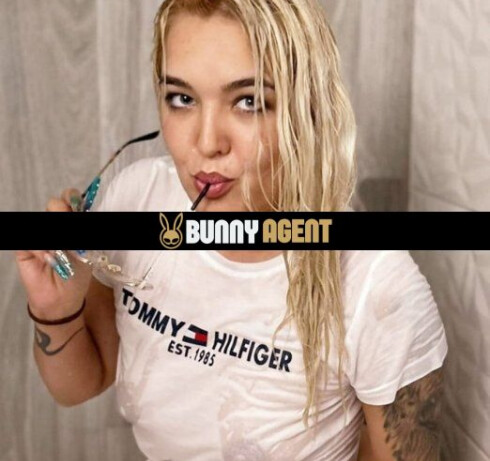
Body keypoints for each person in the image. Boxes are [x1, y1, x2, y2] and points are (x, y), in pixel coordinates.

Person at [15, 1, 448, 460]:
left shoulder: (377, 284)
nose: (206, 143)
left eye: (248, 102)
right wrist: (55, 310)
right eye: (182, 98)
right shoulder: (137, 198)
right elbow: (80, 384)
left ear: (308, 107)